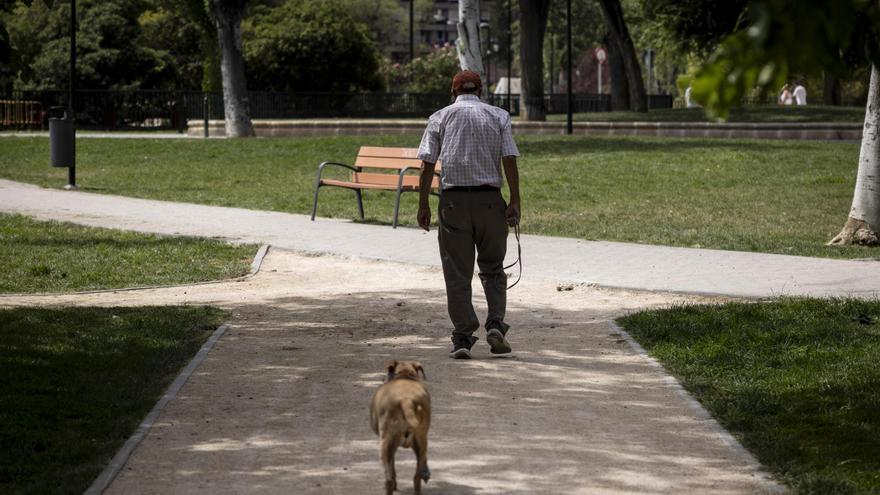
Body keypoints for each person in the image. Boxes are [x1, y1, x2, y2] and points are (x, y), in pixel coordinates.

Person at [416, 70, 521, 360]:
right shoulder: (498, 116)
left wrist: (423, 204)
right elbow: (509, 158)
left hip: (453, 204)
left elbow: (426, 165)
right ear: (481, 92)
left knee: (457, 274)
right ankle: (496, 323)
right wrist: (514, 200)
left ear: (453, 92)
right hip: (490, 202)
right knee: (493, 268)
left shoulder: (439, 117)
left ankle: (463, 336)